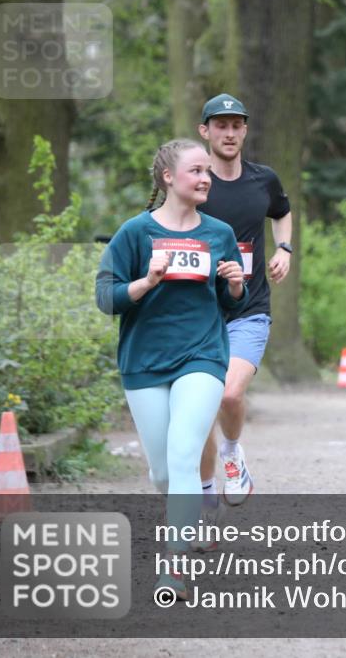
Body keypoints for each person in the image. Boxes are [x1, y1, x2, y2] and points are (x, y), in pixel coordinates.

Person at [96, 138, 248, 600]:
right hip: (144, 361)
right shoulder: (134, 233)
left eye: (207, 172)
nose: (205, 178)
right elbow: (107, 298)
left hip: (202, 355)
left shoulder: (219, 233)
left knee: (184, 455)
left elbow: (228, 303)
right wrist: (147, 281)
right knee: (163, 473)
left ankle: (173, 568)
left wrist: (236, 286)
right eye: (196, 171)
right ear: (168, 178)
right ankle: (187, 513)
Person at [195, 94, 293, 521]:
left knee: (230, 394)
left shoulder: (263, 179)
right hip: (198, 313)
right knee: (198, 412)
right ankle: (202, 499)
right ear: (205, 131)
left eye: (237, 125)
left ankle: (233, 454)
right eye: (221, 125)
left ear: (245, 131)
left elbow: (283, 213)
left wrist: (285, 247)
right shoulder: (194, 181)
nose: (229, 133)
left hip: (249, 309)